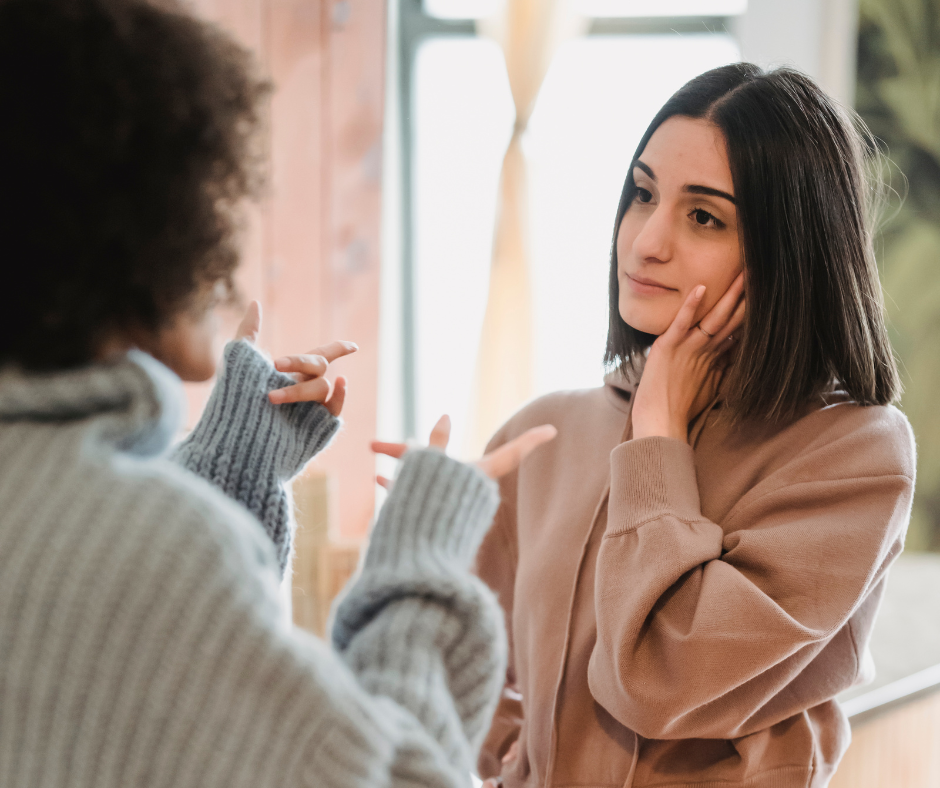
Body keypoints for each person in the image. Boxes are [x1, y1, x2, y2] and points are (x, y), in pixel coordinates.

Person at [0, 0, 555, 785]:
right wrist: (420, 558)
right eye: (213, 200)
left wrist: (233, 469)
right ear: (139, 221)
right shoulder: (165, 555)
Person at [475, 63, 915, 788]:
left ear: (788, 255)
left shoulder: (855, 456)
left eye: (704, 216)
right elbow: (451, 658)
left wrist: (658, 438)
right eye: (642, 194)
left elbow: (657, 681)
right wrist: (514, 756)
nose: (646, 241)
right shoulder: (544, 432)